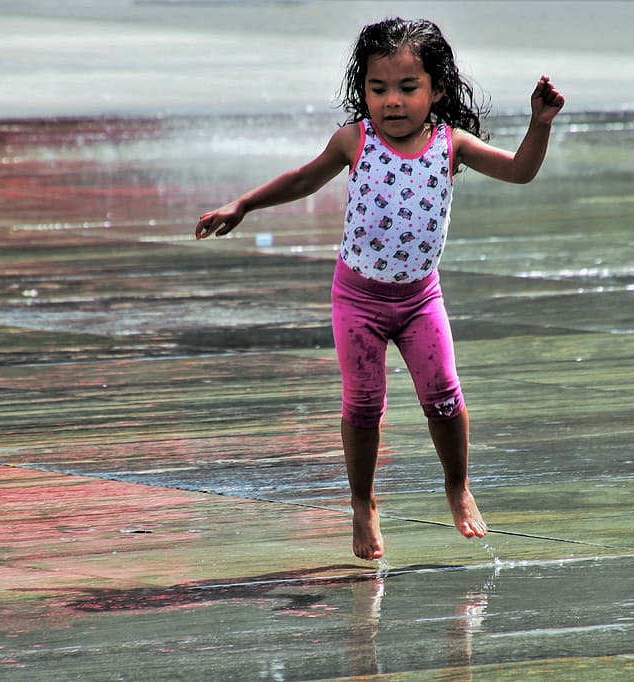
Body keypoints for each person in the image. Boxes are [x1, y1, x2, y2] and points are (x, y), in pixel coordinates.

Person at [195, 17, 564, 561]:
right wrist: (243, 204)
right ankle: (363, 502)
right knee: (364, 404)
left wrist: (540, 123)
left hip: (420, 300)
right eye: (378, 88)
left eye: (407, 88)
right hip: (358, 299)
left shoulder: (450, 143)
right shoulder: (354, 140)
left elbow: (520, 172)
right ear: (362, 90)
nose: (392, 101)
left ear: (436, 89)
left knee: (444, 395)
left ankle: (457, 486)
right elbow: (303, 178)